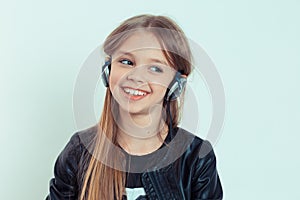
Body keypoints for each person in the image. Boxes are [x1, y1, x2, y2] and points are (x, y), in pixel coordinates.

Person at [46, 14, 223, 200]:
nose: (136, 77)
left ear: (176, 84)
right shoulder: (79, 151)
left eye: (155, 68)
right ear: (108, 69)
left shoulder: (196, 158)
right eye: (126, 62)